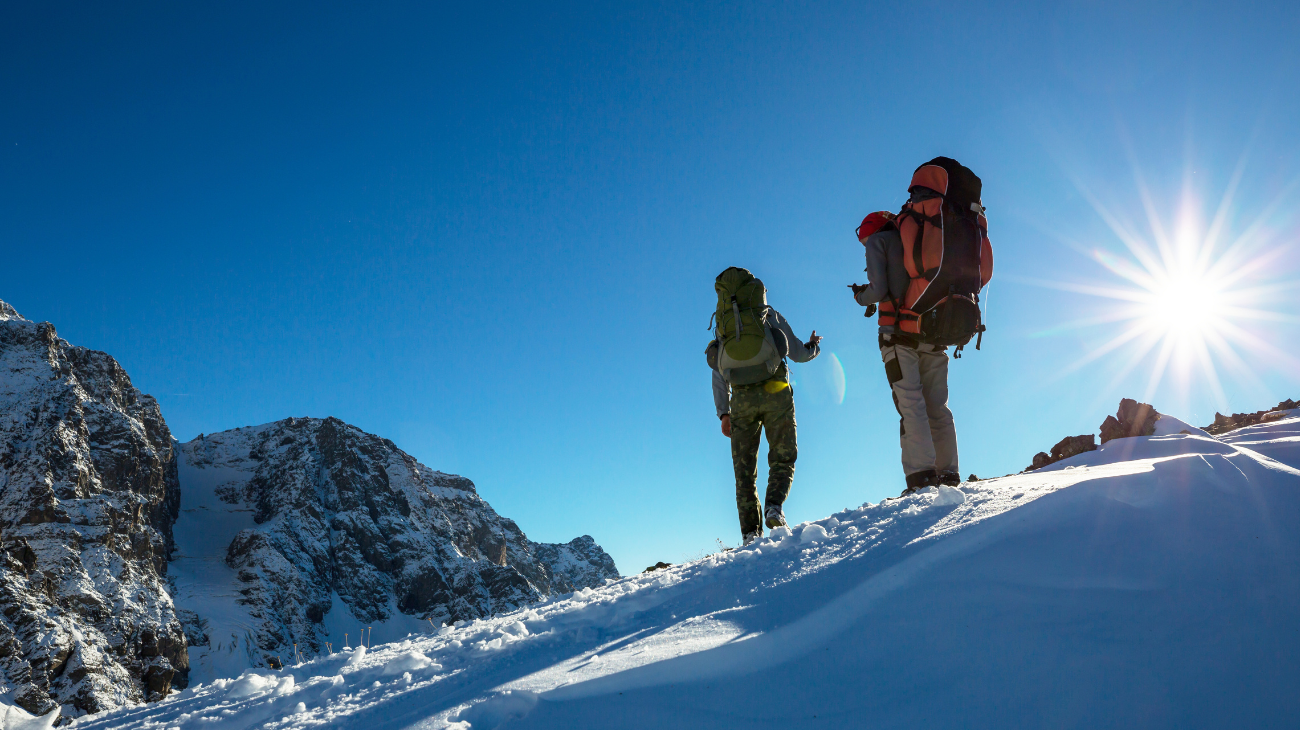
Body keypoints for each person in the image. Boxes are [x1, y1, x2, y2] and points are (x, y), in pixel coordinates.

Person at [707, 267, 821, 545]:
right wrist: (814, 347)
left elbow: (718, 370)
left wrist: (724, 413)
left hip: (741, 399)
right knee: (783, 454)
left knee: (744, 470)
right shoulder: (767, 314)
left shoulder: (725, 325)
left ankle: (749, 534)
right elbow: (797, 353)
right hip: (776, 389)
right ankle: (774, 507)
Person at [850, 210, 961, 494]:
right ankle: (948, 474)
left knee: (912, 405)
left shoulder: (879, 241)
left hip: (899, 335)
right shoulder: (922, 237)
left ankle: (922, 477)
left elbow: (878, 290)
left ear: (868, 231)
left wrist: (860, 296)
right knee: (938, 406)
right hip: (934, 333)